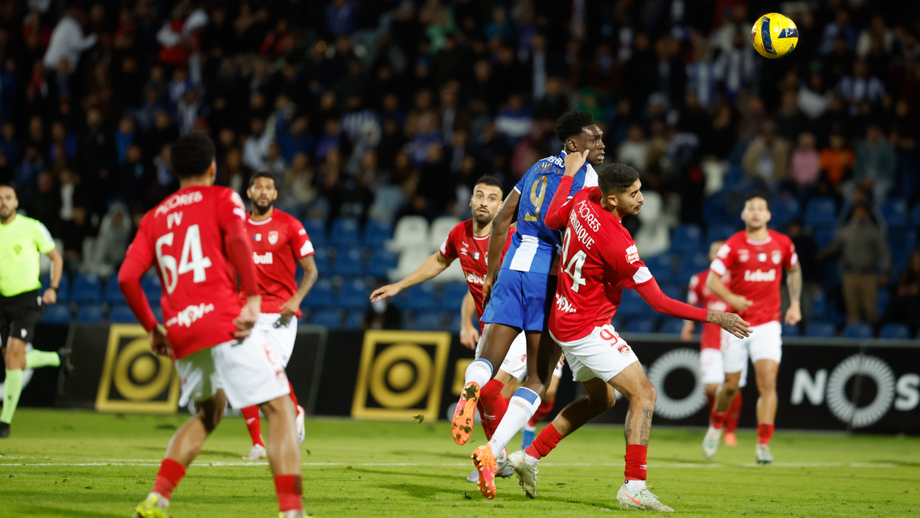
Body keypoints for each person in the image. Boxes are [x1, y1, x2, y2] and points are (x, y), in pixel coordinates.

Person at [504, 159, 750, 511]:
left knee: (601, 400)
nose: (642, 198)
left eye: (640, 190)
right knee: (644, 393)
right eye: (633, 193)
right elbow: (660, 302)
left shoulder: (584, 198)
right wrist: (716, 316)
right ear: (614, 199)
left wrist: (569, 178)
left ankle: (530, 456)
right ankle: (634, 485)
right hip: (586, 327)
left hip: (563, 318)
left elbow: (552, 219)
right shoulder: (618, 242)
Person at [118, 133, 305, 518]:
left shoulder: (154, 217)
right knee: (282, 410)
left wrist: (153, 328)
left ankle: (157, 499)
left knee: (208, 415)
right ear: (212, 168)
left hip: (182, 332)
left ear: (173, 171)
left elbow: (126, 278)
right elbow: (237, 239)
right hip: (224, 323)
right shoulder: (222, 197)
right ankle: (292, 512)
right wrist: (252, 298)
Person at [370, 176, 562, 483]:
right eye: (479, 196)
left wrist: (555, 332)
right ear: (470, 201)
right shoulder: (459, 233)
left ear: (503, 206)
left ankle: (496, 456)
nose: (484, 202)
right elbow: (441, 262)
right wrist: (400, 285)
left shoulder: (515, 238)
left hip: (517, 324)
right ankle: (497, 457)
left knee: (492, 389)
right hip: (491, 328)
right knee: (487, 393)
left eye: (492, 198)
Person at [457, 111, 604, 500]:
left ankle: (470, 387)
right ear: (573, 145)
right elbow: (578, 228)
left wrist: (490, 274)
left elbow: (504, 217)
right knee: (537, 379)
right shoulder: (585, 175)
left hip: (510, 267)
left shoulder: (537, 166)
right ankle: (492, 451)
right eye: (594, 140)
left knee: (488, 360)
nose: (601, 145)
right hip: (548, 274)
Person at [702, 192, 803, 465]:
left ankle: (763, 444)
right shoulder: (734, 244)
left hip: (769, 323)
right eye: (751, 208)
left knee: (768, 383)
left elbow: (794, 271)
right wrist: (733, 299)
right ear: (744, 214)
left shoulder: (782, 243)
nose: (756, 212)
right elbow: (712, 280)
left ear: (769, 215)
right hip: (736, 324)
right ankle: (716, 423)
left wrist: (794, 304)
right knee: (731, 386)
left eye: (761, 208)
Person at [239, 172, 319, 460]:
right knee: (246, 374)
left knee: (264, 373)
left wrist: (296, 298)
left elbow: (311, 270)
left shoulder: (290, 225)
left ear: (275, 194)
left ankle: (294, 411)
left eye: (268, 188)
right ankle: (258, 443)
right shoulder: (236, 228)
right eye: (257, 187)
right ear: (249, 192)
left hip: (280, 317)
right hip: (246, 311)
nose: (263, 192)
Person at [0, 185, 70, 439]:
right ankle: (56, 358)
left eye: (7, 198)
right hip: (1, 300)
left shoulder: (32, 227)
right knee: (13, 359)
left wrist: (52, 287)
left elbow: (57, 258)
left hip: (27, 299)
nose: (3, 203)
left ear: (16, 201)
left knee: (11, 360)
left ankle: (4, 422)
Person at [681, 240, 744, 446]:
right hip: (710, 340)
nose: (717, 254)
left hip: (734, 339)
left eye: (721, 251)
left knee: (732, 387)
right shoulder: (699, 280)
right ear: (709, 255)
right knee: (710, 388)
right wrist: (688, 326)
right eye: (713, 251)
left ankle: (729, 431)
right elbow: (692, 305)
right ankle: (717, 422)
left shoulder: (738, 279)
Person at [817, 203, 891, 325]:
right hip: (850, 274)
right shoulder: (846, 231)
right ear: (854, 213)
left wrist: (886, 271)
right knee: (852, 311)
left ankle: (872, 339)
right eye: (858, 211)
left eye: (863, 211)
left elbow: (884, 252)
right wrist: (822, 254)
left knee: (871, 311)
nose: (860, 214)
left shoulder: (873, 231)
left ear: (867, 213)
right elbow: (833, 247)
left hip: (869, 274)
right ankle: (854, 339)